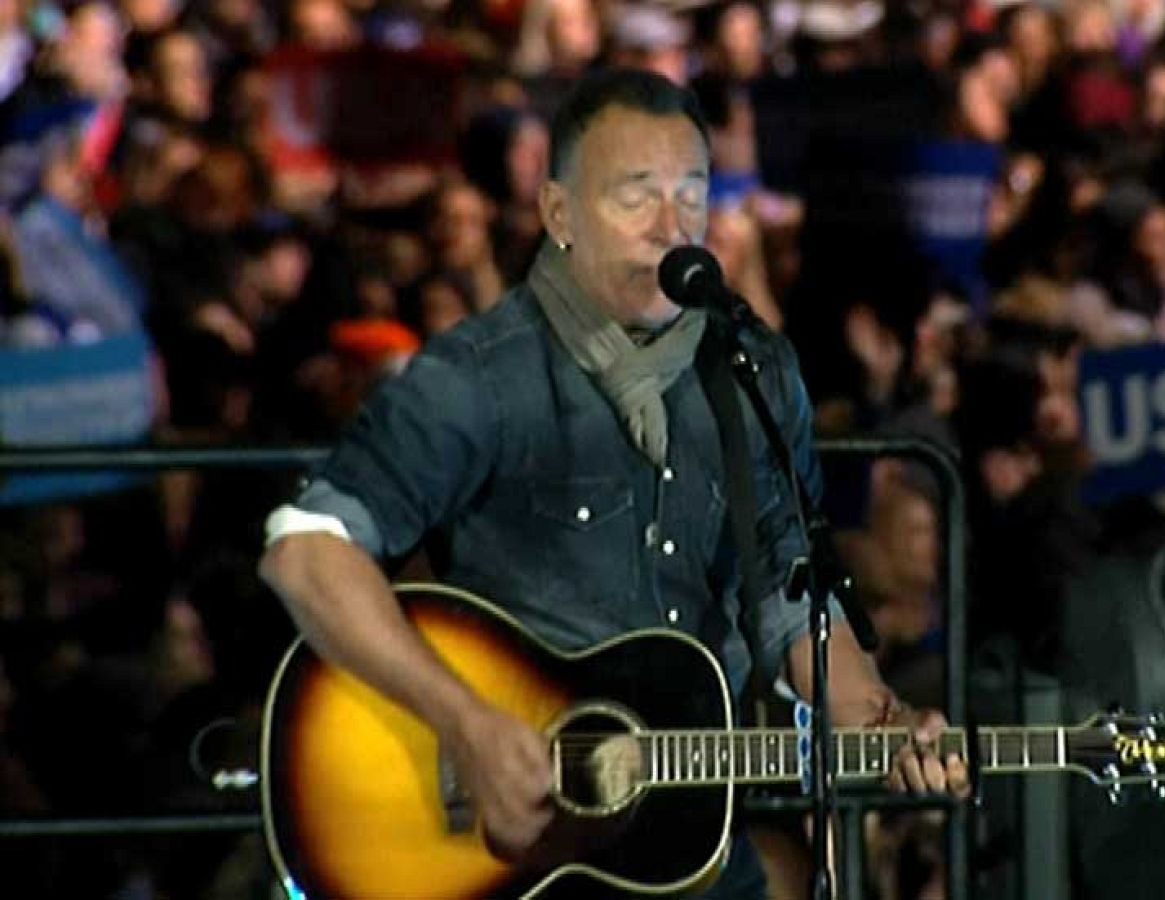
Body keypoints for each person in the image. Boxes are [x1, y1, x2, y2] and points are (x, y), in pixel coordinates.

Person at [256, 67, 968, 898]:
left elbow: (788, 598)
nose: (672, 228)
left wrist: (885, 725)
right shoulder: (483, 375)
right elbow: (306, 553)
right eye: (636, 198)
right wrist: (468, 724)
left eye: (691, 197)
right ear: (559, 213)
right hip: (515, 859)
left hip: (691, 854)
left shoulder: (751, 372)